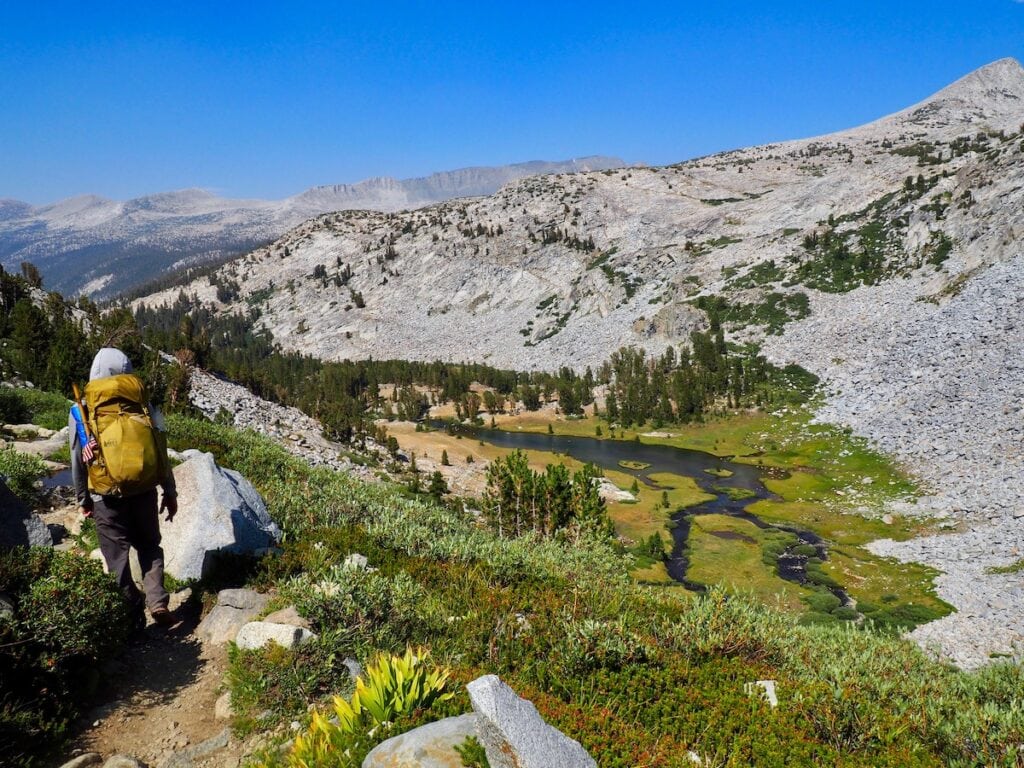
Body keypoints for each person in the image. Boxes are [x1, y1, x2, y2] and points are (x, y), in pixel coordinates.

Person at [70, 348, 178, 629]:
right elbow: (161, 450)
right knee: (150, 546)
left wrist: (83, 498)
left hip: (106, 495)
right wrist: (170, 491)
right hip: (144, 489)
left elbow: (76, 459)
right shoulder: (144, 405)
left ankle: (132, 617)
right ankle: (157, 601)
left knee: (116, 558)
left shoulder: (82, 409)